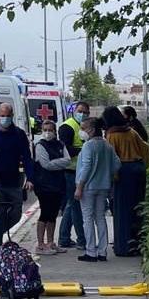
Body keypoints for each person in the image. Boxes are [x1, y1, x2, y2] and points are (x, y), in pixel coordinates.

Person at [104, 105, 149, 256]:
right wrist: (142, 165)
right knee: (137, 208)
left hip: (123, 173)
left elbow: (111, 159)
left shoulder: (112, 135)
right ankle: (138, 245)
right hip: (138, 170)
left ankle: (124, 247)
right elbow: (147, 148)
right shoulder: (131, 131)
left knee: (121, 210)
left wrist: (113, 178)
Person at [74, 114, 119, 262]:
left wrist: (79, 187)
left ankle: (91, 251)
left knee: (87, 219)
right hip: (103, 186)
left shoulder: (88, 146)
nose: (81, 131)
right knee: (100, 217)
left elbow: (86, 167)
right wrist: (107, 174)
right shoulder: (107, 145)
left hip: (87, 186)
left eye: (83, 128)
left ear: (92, 130)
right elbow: (117, 164)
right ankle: (102, 251)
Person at [0, 102, 30, 246]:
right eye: (2, 115)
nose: (5, 118)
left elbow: (27, 157)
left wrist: (30, 178)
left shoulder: (19, 134)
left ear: (12, 116)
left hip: (13, 181)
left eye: (8, 115)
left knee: (16, 213)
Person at [31, 117, 74, 254]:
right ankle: (40, 244)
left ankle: (50, 242)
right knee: (45, 213)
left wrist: (56, 162)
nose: (48, 132)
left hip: (58, 184)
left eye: (50, 130)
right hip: (44, 185)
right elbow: (46, 164)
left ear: (55, 131)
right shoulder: (40, 145)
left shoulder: (60, 144)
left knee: (53, 215)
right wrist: (59, 162)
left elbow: (67, 160)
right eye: (45, 130)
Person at [57, 102, 89, 250]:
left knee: (71, 205)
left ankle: (64, 238)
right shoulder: (67, 126)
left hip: (79, 170)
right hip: (71, 171)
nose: (82, 114)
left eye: (85, 112)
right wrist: (83, 150)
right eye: (80, 111)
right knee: (76, 206)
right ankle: (82, 240)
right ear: (74, 111)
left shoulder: (84, 126)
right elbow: (65, 150)